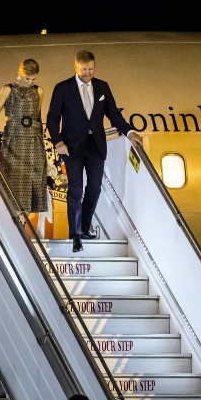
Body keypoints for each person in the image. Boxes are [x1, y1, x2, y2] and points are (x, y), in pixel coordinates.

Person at [46, 50, 136, 253]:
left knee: (94, 189)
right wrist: (58, 142)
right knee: (75, 191)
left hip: (95, 145)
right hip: (72, 148)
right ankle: (75, 235)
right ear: (76, 67)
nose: (87, 73)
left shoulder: (102, 86)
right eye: (84, 70)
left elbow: (114, 115)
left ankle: (85, 228)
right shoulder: (62, 88)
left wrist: (130, 133)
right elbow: (52, 118)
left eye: (91, 69)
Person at [0, 59, 50, 219]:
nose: (30, 82)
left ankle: (24, 222)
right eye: (27, 78)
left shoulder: (39, 91)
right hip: (13, 138)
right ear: (20, 73)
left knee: (32, 181)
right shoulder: (8, 89)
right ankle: (12, 221)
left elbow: (37, 117)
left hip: (33, 141)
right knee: (12, 179)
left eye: (33, 79)